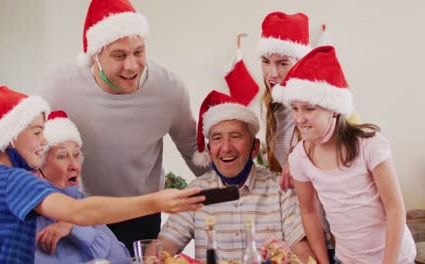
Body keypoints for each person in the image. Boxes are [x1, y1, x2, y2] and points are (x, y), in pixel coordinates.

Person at [0, 86, 205, 263]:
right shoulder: (13, 180)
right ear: (9, 136)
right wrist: (155, 201)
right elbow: (81, 212)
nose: (43, 142)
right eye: (36, 132)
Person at [37, 0, 207, 253]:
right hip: (80, 214)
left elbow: (194, 151)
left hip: (142, 214)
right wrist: (58, 211)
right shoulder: (60, 87)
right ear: (95, 54)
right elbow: (32, 154)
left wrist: (234, 187)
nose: (131, 65)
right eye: (119, 55)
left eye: (138, 52)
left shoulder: (169, 89)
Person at [272, 46, 416, 263]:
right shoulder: (300, 157)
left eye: (310, 109)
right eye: (295, 108)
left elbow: (395, 208)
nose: (300, 119)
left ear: (334, 108)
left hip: (394, 258)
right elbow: (309, 212)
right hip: (347, 259)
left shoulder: (370, 146)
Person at [158, 90, 315, 262]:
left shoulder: (280, 189)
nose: (225, 148)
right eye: (217, 138)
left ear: (254, 147)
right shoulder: (196, 192)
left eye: (235, 136)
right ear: (209, 151)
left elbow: (304, 254)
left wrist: (289, 254)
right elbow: (159, 250)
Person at [259, 12, 336, 262]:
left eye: (283, 63)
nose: (271, 73)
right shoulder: (273, 107)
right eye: (265, 61)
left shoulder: (322, 106)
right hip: (304, 232)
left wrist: (300, 154)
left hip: (336, 233)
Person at [34, 110, 130, 264]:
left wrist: (74, 227)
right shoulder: (31, 210)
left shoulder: (83, 202)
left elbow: (123, 259)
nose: (74, 165)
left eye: (76, 154)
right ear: (40, 165)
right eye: (62, 156)